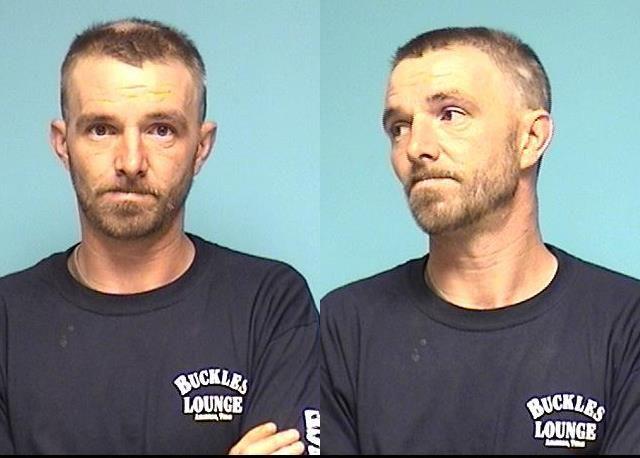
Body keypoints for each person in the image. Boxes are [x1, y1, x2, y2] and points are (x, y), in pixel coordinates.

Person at [0, 18, 319, 455]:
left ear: (201, 147)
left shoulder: (269, 304)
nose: (131, 162)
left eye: (161, 130)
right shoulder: (7, 318)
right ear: (62, 143)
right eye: (101, 129)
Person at [321, 26, 640, 454]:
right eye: (399, 127)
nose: (416, 147)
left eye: (450, 114)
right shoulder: (345, 325)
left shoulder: (626, 323)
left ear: (530, 139)